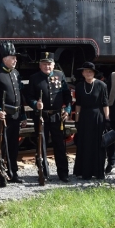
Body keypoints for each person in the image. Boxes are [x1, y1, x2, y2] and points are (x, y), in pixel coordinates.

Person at [24, 51, 72, 182]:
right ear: (40, 65)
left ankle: (63, 173)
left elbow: (67, 95)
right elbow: (28, 97)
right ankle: (43, 173)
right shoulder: (34, 78)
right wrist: (35, 104)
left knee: (59, 145)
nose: (47, 66)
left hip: (57, 116)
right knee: (42, 144)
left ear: (53, 65)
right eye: (44, 64)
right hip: (41, 116)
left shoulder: (60, 75)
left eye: (49, 64)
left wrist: (67, 109)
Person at [0, 42, 25, 183]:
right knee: (1, 146)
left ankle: (13, 172)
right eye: (13, 58)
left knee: (13, 146)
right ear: (5, 59)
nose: (15, 60)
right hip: (3, 116)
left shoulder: (16, 73)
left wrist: (23, 115)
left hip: (16, 116)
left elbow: (20, 96)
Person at [73, 62, 109, 180]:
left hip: (98, 117)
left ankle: (98, 171)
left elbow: (105, 104)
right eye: (86, 71)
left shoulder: (101, 85)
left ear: (94, 73)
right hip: (84, 117)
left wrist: (107, 119)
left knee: (98, 145)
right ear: (82, 73)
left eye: (90, 71)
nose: (88, 73)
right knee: (85, 144)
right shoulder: (79, 86)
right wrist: (77, 120)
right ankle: (85, 172)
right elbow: (78, 105)